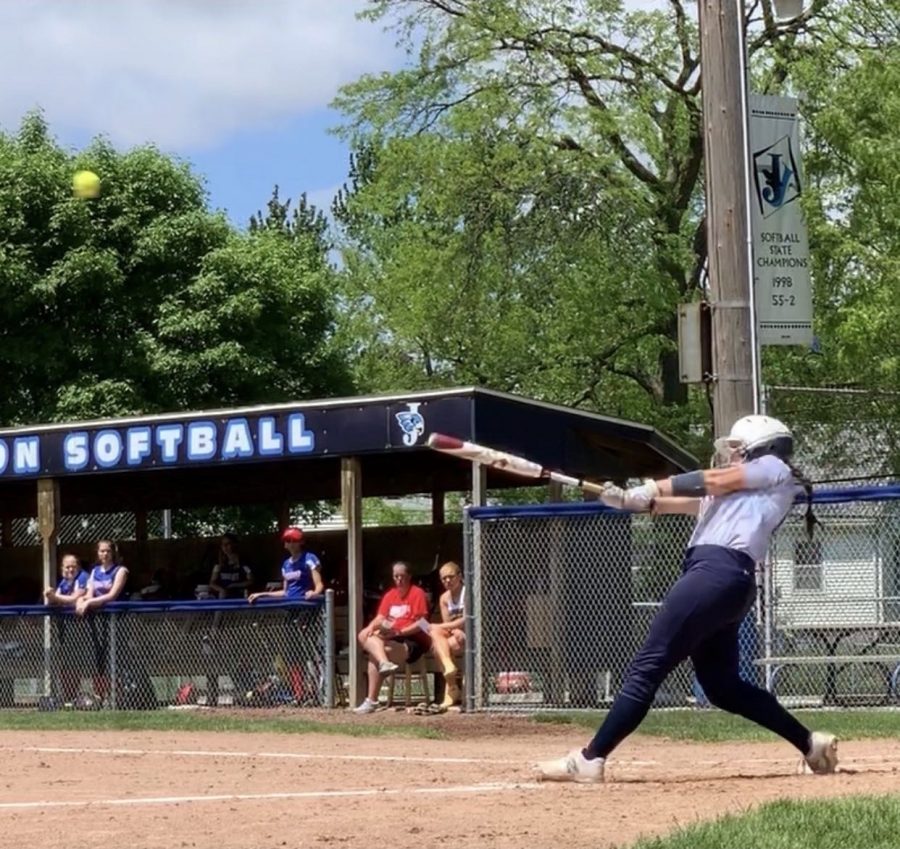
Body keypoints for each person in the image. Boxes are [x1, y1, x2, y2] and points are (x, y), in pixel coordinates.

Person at [535, 415, 838, 783]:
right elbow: (676, 503)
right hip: (727, 582)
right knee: (722, 686)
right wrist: (628, 499)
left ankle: (590, 758)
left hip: (714, 574)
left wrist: (652, 486)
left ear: (764, 448)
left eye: (739, 451)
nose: (732, 458)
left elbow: (710, 480)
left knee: (647, 667)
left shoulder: (773, 468)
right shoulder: (739, 493)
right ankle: (810, 743)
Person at [354, 560, 431, 714]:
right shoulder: (390, 595)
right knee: (364, 634)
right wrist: (371, 627)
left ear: (409, 576)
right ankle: (384, 664)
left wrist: (399, 632)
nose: (399, 580)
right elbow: (380, 617)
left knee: (376, 653)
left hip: (412, 639)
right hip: (391, 636)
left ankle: (371, 700)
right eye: (396, 577)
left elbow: (423, 623)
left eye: (402, 576)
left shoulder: (417, 593)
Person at [74, 540, 130, 706]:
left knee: (117, 658)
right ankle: (101, 697)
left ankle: (120, 698)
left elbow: (111, 596)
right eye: (101, 551)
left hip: (117, 621)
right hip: (98, 623)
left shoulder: (121, 571)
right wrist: (81, 600)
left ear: (113, 553)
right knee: (99, 660)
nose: (104, 554)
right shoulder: (95, 571)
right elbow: (90, 593)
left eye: (108, 551)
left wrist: (89, 603)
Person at [247, 527, 323, 604]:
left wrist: (315, 593)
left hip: (307, 606)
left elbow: (319, 584)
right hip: (290, 608)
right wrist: (262, 594)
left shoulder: (309, 558)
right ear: (285, 544)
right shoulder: (286, 564)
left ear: (301, 542)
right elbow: (285, 592)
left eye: (295, 540)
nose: (291, 543)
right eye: (288, 541)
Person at [430, 561, 466, 708]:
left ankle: (452, 689)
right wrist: (452, 629)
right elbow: (448, 625)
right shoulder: (444, 598)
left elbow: (467, 619)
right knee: (436, 635)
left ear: (460, 576)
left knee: (437, 646)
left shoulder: (467, 593)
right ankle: (449, 668)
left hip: (469, 634)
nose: (447, 581)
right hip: (454, 635)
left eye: (451, 577)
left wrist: (453, 628)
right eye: (444, 578)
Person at [209, 533, 254, 599]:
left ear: (234, 544)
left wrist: (234, 585)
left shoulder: (244, 562)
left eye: (228, 544)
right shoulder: (219, 563)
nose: (225, 546)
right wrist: (221, 590)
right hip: (223, 597)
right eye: (223, 544)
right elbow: (212, 583)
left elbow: (251, 581)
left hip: (240, 596)